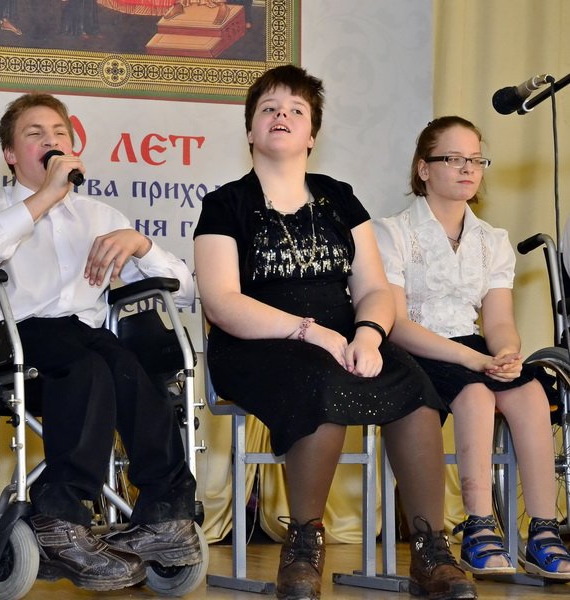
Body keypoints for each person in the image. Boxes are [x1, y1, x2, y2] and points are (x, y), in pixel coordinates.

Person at [193, 65, 477, 600]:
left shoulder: (339, 197)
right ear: (251, 129)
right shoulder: (225, 204)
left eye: (296, 110)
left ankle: (431, 552)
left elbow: (374, 288)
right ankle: (303, 546)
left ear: (312, 135)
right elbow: (223, 303)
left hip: (345, 339)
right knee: (319, 382)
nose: (282, 116)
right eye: (269, 108)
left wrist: (368, 334)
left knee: (416, 389)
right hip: (255, 344)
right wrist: (309, 332)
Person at [0, 92, 202, 591]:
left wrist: (140, 244)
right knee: (88, 365)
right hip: (14, 339)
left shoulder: (101, 216)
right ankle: (59, 517)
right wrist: (43, 199)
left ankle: (167, 514)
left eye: (60, 133)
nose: (51, 141)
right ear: (10, 154)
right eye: (35, 134)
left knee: (132, 371)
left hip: (88, 337)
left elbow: (186, 290)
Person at [374, 115, 570, 579]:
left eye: (476, 160)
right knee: (477, 392)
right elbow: (395, 324)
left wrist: (505, 354)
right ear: (424, 168)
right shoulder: (392, 232)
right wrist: (475, 361)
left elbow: (498, 321)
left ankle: (543, 531)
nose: (468, 169)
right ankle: (478, 526)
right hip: (415, 347)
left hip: (473, 345)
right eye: (454, 158)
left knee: (529, 391)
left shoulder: (492, 240)